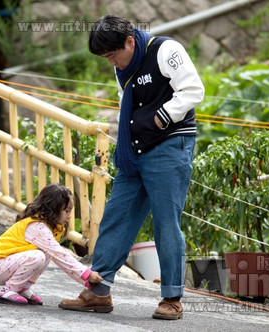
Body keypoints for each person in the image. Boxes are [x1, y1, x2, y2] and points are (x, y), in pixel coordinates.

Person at [58, 15, 205, 320]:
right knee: (117, 215)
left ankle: (172, 297)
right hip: (134, 151)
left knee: (166, 222)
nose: (112, 62)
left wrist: (160, 117)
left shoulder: (165, 50)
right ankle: (98, 292)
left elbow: (193, 91)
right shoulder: (121, 68)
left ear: (129, 41)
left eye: (113, 55)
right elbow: (127, 101)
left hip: (169, 144)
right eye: (106, 58)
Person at [0, 183, 103, 305]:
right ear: (53, 209)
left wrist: (86, 281)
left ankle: (21, 288)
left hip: (5, 265)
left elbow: (58, 258)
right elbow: (61, 255)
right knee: (38, 256)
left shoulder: (49, 227)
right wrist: (86, 275)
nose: (69, 215)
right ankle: (9, 289)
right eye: (67, 211)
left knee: (46, 254)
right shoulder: (36, 226)